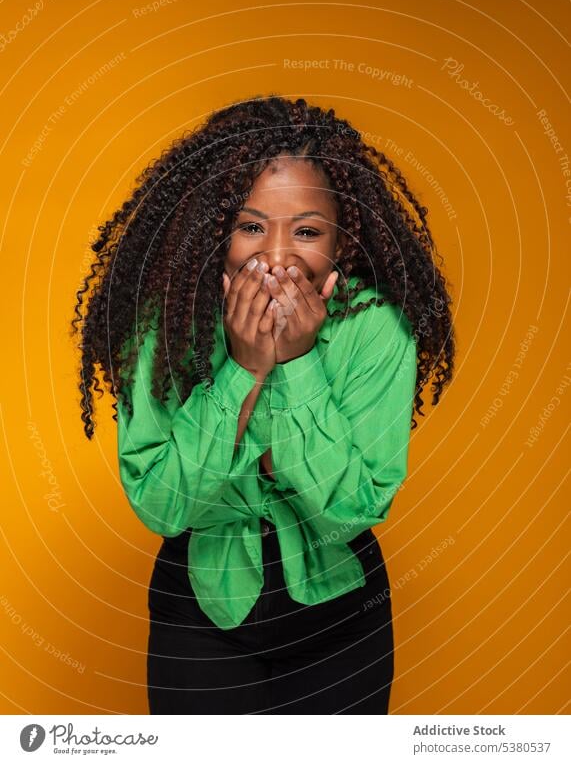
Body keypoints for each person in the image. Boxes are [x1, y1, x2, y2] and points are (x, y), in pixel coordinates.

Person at [71, 94, 455, 714]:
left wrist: (298, 364)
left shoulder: (377, 329)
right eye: (251, 226)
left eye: (306, 231)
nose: (276, 258)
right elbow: (165, 505)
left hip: (342, 615)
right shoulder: (164, 329)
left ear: (342, 241)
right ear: (212, 230)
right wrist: (244, 370)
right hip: (199, 610)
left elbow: (353, 508)